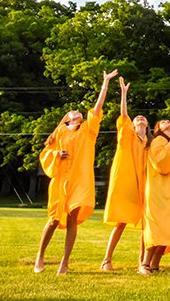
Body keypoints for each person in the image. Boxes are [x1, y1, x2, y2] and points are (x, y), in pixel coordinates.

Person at [34, 69, 115, 274]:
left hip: (80, 180)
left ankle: (65, 262)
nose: (77, 112)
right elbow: (45, 155)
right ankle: (40, 256)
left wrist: (105, 84)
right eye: (73, 113)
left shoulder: (88, 131)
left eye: (79, 112)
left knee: (72, 219)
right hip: (61, 180)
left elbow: (97, 109)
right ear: (67, 119)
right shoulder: (59, 133)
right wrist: (56, 155)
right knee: (53, 220)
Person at [101, 75, 149, 272]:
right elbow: (123, 115)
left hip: (144, 186)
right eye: (136, 118)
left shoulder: (150, 144)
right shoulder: (127, 137)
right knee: (121, 222)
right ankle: (106, 260)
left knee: (147, 224)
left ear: (147, 125)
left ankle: (142, 261)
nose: (139, 118)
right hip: (127, 183)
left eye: (143, 118)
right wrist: (123, 93)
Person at [141, 118, 170, 273]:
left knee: (168, 228)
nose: (167, 121)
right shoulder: (158, 141)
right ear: (157, 129)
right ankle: (144, 264)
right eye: (162, 122)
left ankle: (154, 265)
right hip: (157, 189)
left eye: (169, 121)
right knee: (156, 226)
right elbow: (161, 164)